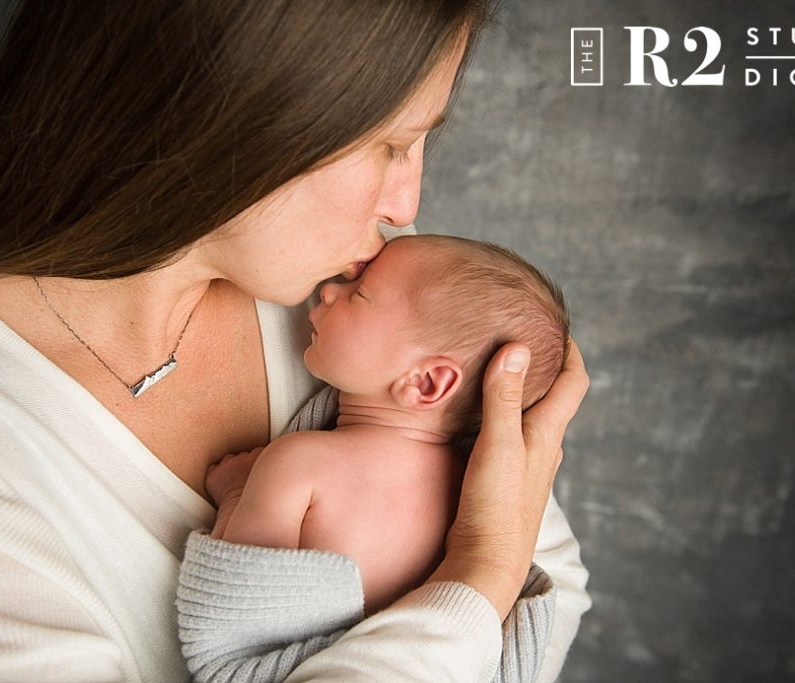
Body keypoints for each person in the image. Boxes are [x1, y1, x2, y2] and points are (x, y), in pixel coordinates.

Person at [0, 3, 590, 682]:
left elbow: (555, 589)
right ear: (240, 111)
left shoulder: (362, 289)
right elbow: (509, 572)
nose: (405, 202)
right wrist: (480, 574)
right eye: (391, 145)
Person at [177, 234, 570, 682]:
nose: (329, 289)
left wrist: (234, 494)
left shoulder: (298, 465)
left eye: (359, 294)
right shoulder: (476, 491)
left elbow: (239, 607)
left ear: (426, 383)